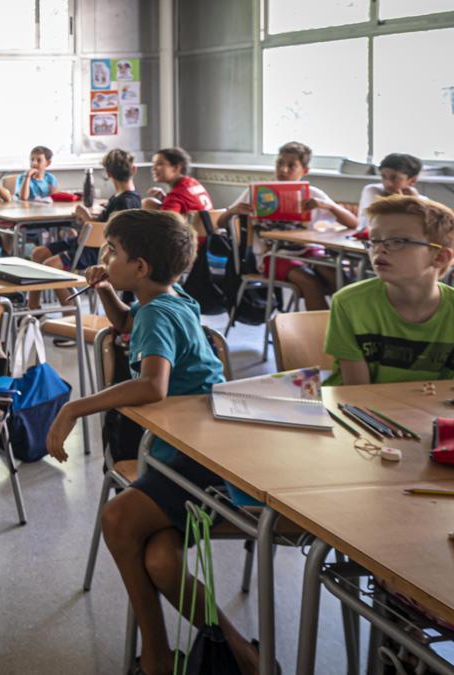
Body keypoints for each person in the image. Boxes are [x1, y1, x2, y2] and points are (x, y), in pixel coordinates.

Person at [44, 210, 261, 675]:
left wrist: (73, 408)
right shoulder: (170, 298)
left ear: (139, 267)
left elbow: (152, 387)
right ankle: (243, 654)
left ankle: (158, 657)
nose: (104, 257)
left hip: (197, 454)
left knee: (118, 520)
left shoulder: (158, 313)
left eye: (113, 252)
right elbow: (129, 324)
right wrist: (105, 290)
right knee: (162, 560)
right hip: (201, 441)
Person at [325, 195, 454, 386]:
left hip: (431, 412)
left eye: (398, 241)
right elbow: (357, 392)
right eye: (374, 240)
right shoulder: (349, 303)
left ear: (440, 257)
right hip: (360, 410)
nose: (379, 249)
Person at [217, 141, 358, 311]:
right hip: (272, 255)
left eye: (291, 166)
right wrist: (233, 211)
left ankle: (352, 326)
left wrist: (330, 206)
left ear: (304, 171)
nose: (283, 170)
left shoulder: (312, 194)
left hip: (309, 250)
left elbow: (354, 224)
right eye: (280, 163)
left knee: (338, 278)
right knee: (310, 283)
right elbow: (221, 223)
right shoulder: (257, 193)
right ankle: (323, 335)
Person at [30, 148, 142, 306]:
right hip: (85, 242)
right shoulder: (123, 198)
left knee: (50, 265)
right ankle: (33, 307)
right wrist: (94, 217)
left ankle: (69, 310)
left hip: (96, 249)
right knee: (38, 253)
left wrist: (86, 217)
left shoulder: (125, 201)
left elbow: (107, 233)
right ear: (134, 169)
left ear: (109, 174)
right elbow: (106, 223)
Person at [357, 153, 429, 230]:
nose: (388, 183)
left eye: (395, 178)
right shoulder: (373, 190)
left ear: (413, 180)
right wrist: (403, 201)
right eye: (383, 176)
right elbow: (380, 223)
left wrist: (413, 200)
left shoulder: (422, 200)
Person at [142, 147, 213, 213]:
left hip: (191, 226)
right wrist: (165, 198)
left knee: (147, 203)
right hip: (208, 225)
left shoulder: (176, 195)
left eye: (159, 164)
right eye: (153, 164)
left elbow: (166, 224)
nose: (153, 168)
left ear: (176, 168)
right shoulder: (193, 182)